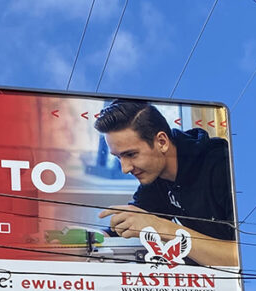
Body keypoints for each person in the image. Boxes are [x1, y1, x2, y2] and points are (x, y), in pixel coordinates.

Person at [94, 100, 237, 268]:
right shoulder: (156, 176)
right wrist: (86, 238)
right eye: (119, 157)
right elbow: (128, 224)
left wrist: (161, 226)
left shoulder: (224, 167)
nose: (125, 168)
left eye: (131, 154)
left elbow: (244, 255)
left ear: (162, 142)